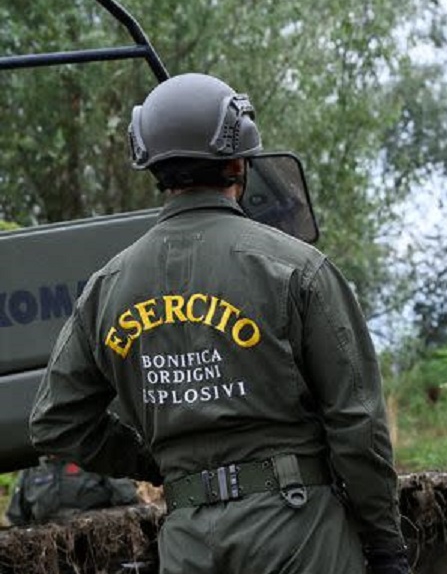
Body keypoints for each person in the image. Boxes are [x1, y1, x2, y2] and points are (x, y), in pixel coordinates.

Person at [28, 73, 408, 574]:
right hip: (298, 535)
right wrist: (386, 545)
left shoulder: (107, 288)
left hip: (188, 544)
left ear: (155, 168)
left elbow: (55, 422)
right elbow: (357, 424)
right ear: (238, 163)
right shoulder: (296, 267)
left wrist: (157, 462)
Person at [5, 456, 140, 527]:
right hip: (47, 548)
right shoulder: (31, 469)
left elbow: (127, 498)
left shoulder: (92, 458)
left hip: (96, 539)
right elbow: (16, 516)